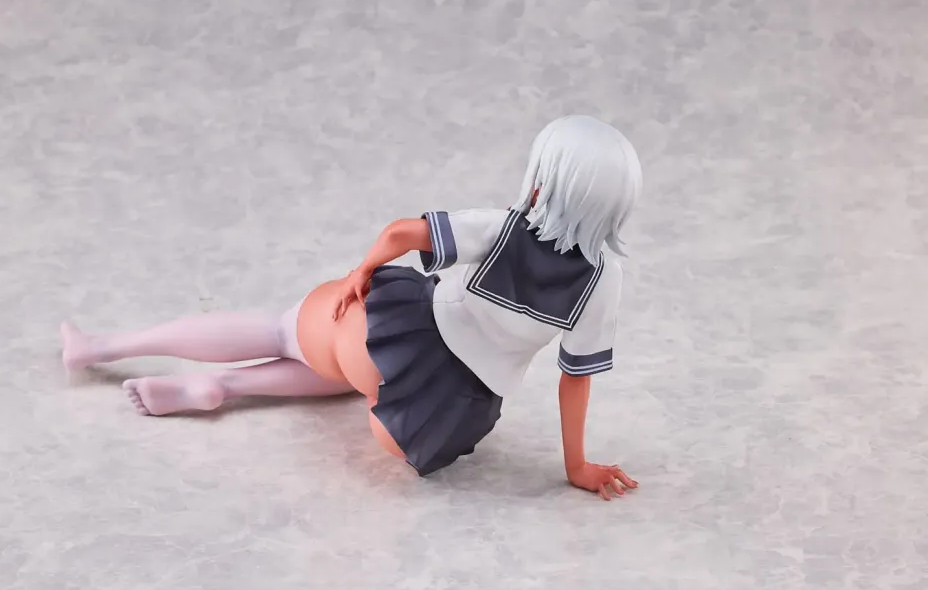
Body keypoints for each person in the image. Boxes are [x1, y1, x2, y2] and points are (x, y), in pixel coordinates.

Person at [61, 115, 642, 500]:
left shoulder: (505, 227)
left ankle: (101, 348)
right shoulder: (603, 279)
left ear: (544, 181)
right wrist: (576, 468)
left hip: (399, 336)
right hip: (438, 414)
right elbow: (575, 379)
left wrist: (360, 275)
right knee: (350, 379)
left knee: (285, 331)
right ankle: (224, 388)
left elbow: (401, 233)